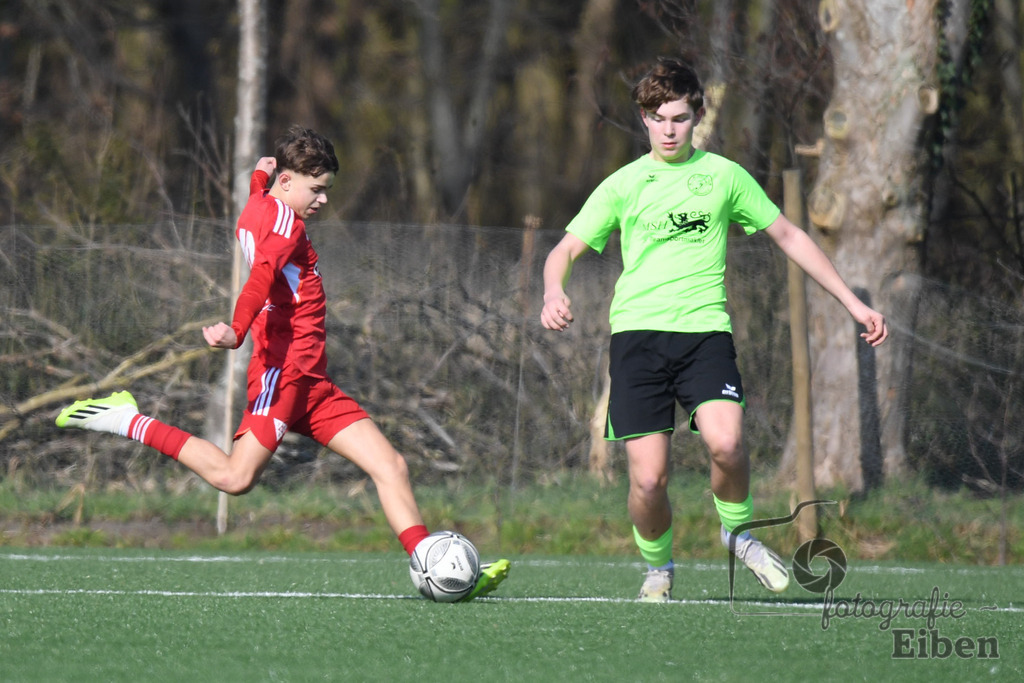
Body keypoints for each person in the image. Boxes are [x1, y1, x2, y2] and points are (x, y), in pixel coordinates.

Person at [57, 125, 509, 600]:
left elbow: (262, 203)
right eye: (317, 189)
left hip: (311, 380)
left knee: (390, 465)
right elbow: (262, 276)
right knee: (235, 478)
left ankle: (436, 569)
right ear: (289, 182)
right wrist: (236, 329)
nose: (323, 201)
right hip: (285, 371)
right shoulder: (285, 226)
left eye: (327, 190)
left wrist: (259, 173)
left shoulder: (261, 203)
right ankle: (127, 420)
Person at [540, 58, 888, 602]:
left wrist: (851, 303)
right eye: (658, 118)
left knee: (727, 444)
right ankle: (658, 566)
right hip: (637, 340)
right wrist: (553, 290)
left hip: (705, 335)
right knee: (649, 481)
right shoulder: (624, 184)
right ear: (644, 119)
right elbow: (563, 249)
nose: (670, 129)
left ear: (697, 114)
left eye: (679, 117)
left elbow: (790, 236)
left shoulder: (723, 176)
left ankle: (737, 532)